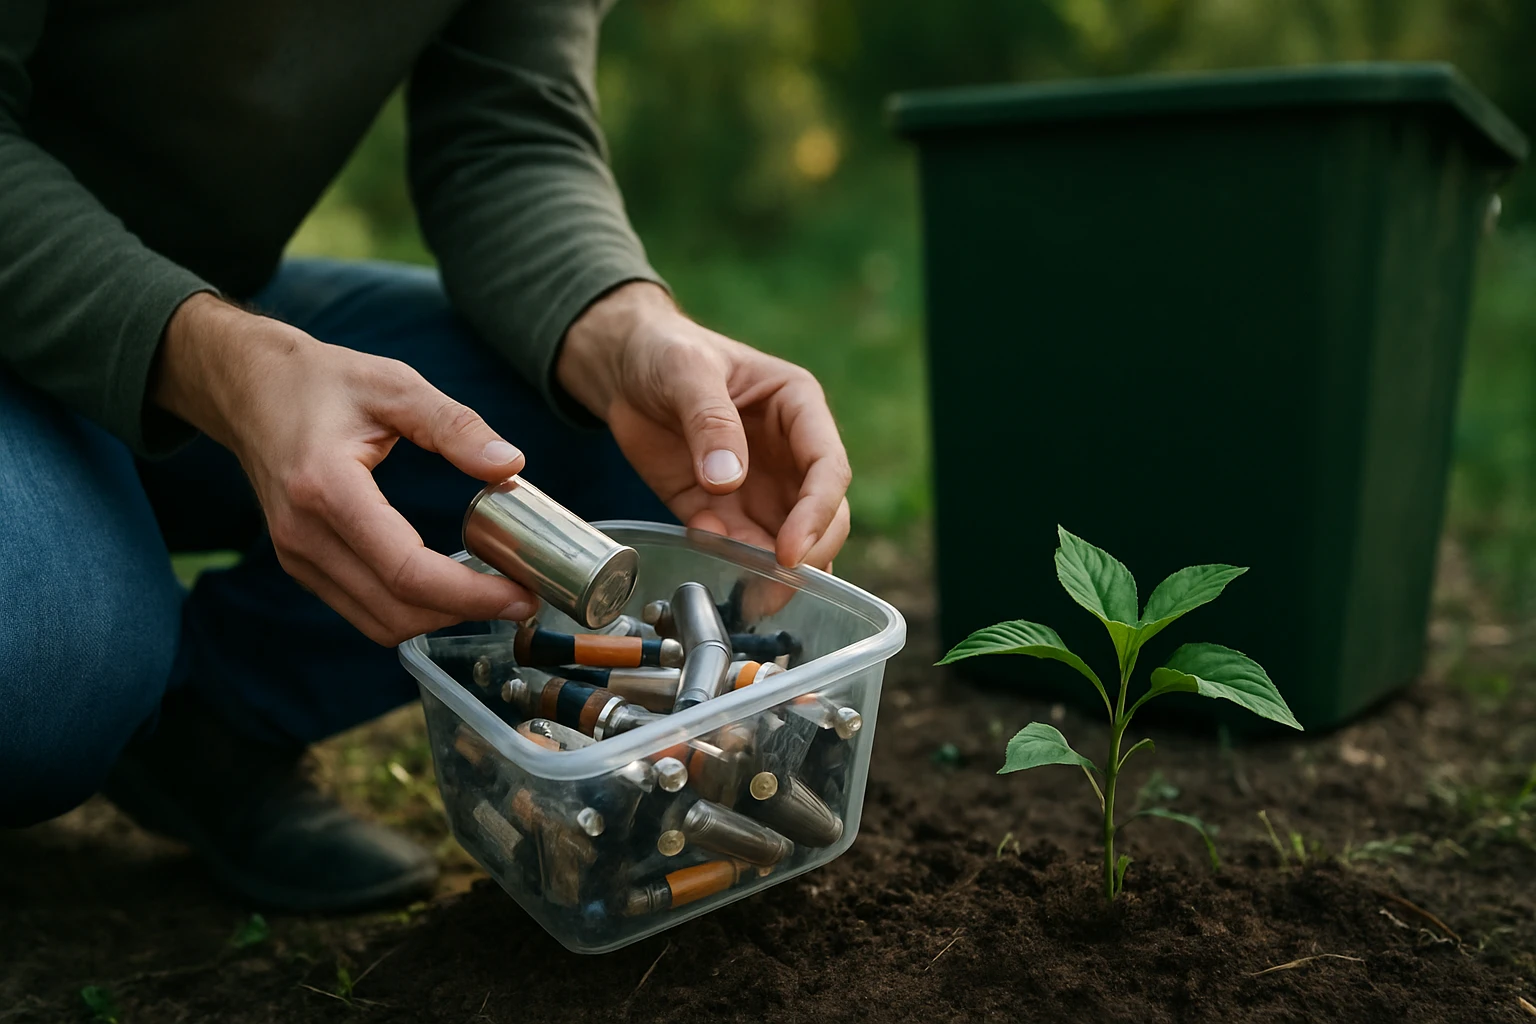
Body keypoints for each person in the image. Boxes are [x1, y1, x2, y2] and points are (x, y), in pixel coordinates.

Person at [0, 0, 851, 912]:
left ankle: (210, 728)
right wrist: (222, 367)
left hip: (213, 299)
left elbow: (509, 135)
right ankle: (114, 659)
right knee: (43, 671)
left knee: (617, 443)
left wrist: (629, 329)